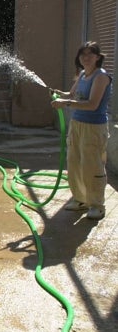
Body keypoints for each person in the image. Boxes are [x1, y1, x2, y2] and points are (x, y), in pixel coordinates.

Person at [51, 41, 112, 220]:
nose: (86, 58)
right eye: (82, 54)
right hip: (77, 124)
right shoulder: (83, 74)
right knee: (75, 163)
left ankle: (97, 205)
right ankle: (80, 199)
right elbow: (71, 95)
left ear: (98, 57)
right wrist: (59, 94)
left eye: (90, 54)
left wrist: (65, 103)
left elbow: (92, 104)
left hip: (94, 127)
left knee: (91, 165)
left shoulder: (101, 77)